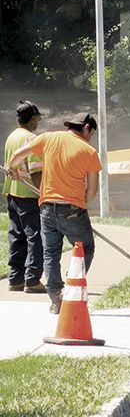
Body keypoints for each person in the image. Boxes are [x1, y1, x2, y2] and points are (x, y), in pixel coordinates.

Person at [5, 113, 101, 314]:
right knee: (86, 249)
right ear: (85, 128)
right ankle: (70, 287)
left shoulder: (48, 138)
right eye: (91, 132)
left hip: (47, 207)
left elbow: (17, 156)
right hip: (73, 209)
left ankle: (55, 300)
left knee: (50, 253)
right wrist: (79, 205)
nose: (90, 137)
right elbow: (92, 190)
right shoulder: (89, 151)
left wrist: (12, 169)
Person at [4, 101, 46, 293]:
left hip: (12, 193)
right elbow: (36, 171)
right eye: (37, 118)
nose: (38, 122)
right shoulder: (31, 138)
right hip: (29, 195)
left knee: (16, 236)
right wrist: (44, 193)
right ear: (31, 119)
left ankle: (15, 279)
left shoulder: (11, 137)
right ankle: (33, 280)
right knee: (35, 236)